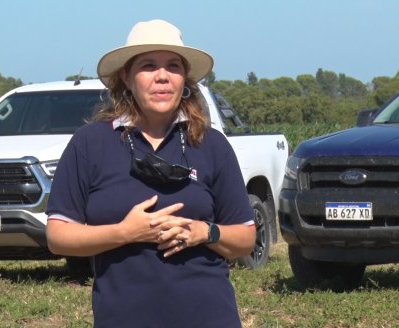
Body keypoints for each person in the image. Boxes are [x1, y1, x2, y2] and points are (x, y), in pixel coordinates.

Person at [45, 19, 256, 328]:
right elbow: (58, 236)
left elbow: (246, 237)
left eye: (173, 66)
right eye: (148, 66)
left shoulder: (213, 145)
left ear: (184, 79)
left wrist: (205, 232)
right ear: (126, 77)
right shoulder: (90, 143)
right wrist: (125, 233)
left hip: (209, 317)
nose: (162, 77)